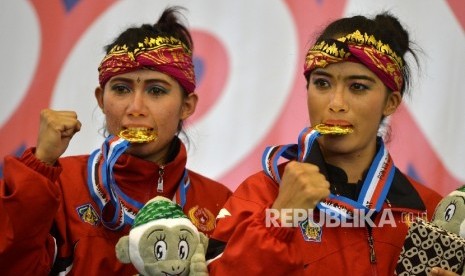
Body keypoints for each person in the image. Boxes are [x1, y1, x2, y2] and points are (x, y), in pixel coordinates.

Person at [206, 12, 448, 275]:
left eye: (357, 87)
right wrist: (280, 219)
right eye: (322, 83)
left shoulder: (428, 212)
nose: (336, 103)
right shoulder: (260, 195)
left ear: (391, 102)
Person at [0, 6, 231, 275]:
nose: (135, 107)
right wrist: (39, 168)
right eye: (121, 89)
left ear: (186, 106)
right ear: (101, 99)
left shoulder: (219, 203)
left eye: (156, 91)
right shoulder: (57, 187)